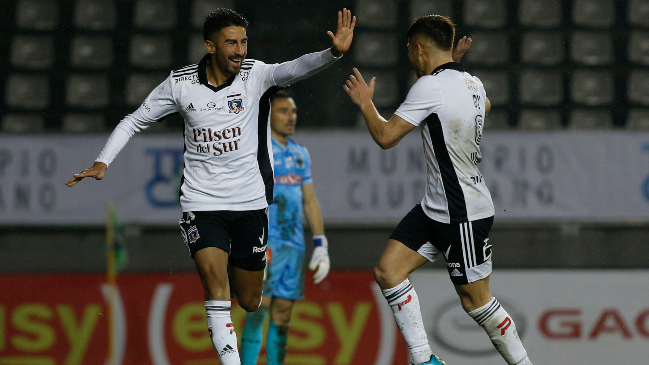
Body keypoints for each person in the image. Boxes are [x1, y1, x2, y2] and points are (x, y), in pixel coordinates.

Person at [66, 8, 355, 365]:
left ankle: (238, 266)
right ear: (209, 45)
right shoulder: (180, 84)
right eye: (231, 42)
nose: (239, 50)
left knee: (250, 300)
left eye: (243, 42)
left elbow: (296, 67)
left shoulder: (256, 75)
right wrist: (102, 161)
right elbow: (134, 120)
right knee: (215, 288)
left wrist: (334, 53)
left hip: (250, 203)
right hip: (201, 203)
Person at [343, 15, 533, 365]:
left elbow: (386, 137)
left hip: (462, 213)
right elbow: (480, 107)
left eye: (409, 50)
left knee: (476, 302)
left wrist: (366, 104)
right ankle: (423, 359)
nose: (409, 56)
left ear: (417, 48)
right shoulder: (472, 83)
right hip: (435, 208)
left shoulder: (430, 88)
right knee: (388, 272)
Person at [239, 89, 329, 365]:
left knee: (283, 315)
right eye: (283, 111)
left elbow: (309, 200)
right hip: (265, 243)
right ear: (269, 117)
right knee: (259, 308)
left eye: (293, 112)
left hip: (293, 246)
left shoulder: (300, 154)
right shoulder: (258, 150)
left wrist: (320, 243)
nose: (291, 117)